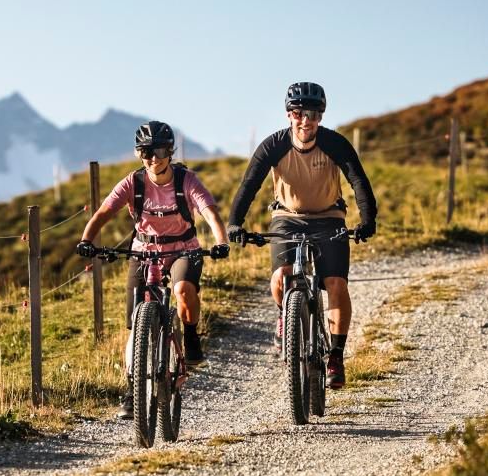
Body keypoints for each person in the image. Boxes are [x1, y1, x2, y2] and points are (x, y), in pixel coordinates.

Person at [225, 82, 377, 390]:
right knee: (280, 276)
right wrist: (234, 223)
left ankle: (335, 356)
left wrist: (367, 220)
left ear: (321, 117)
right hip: (287, 218)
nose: (305, 121)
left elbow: (358, 181)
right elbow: (249, 185)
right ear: (288, 115)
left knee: (336, 283)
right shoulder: (273, 145)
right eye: (298, 113)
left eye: (313, 114)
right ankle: (286, 316)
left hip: (329, 218)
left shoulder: (334, 143)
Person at [77, 121, 229, 415]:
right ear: (139, 153)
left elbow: (209, 212)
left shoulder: (186, 180)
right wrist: (86, 240)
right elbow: (104, 213)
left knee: (183, 290)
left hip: (183, 249)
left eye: (159, 151)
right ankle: (132, 391)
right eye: (146, 152)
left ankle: (191, 334)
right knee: (135, 324)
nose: (153, 158)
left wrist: (221, 241)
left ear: (170, 152)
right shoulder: (133, 183)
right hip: (143, 252)